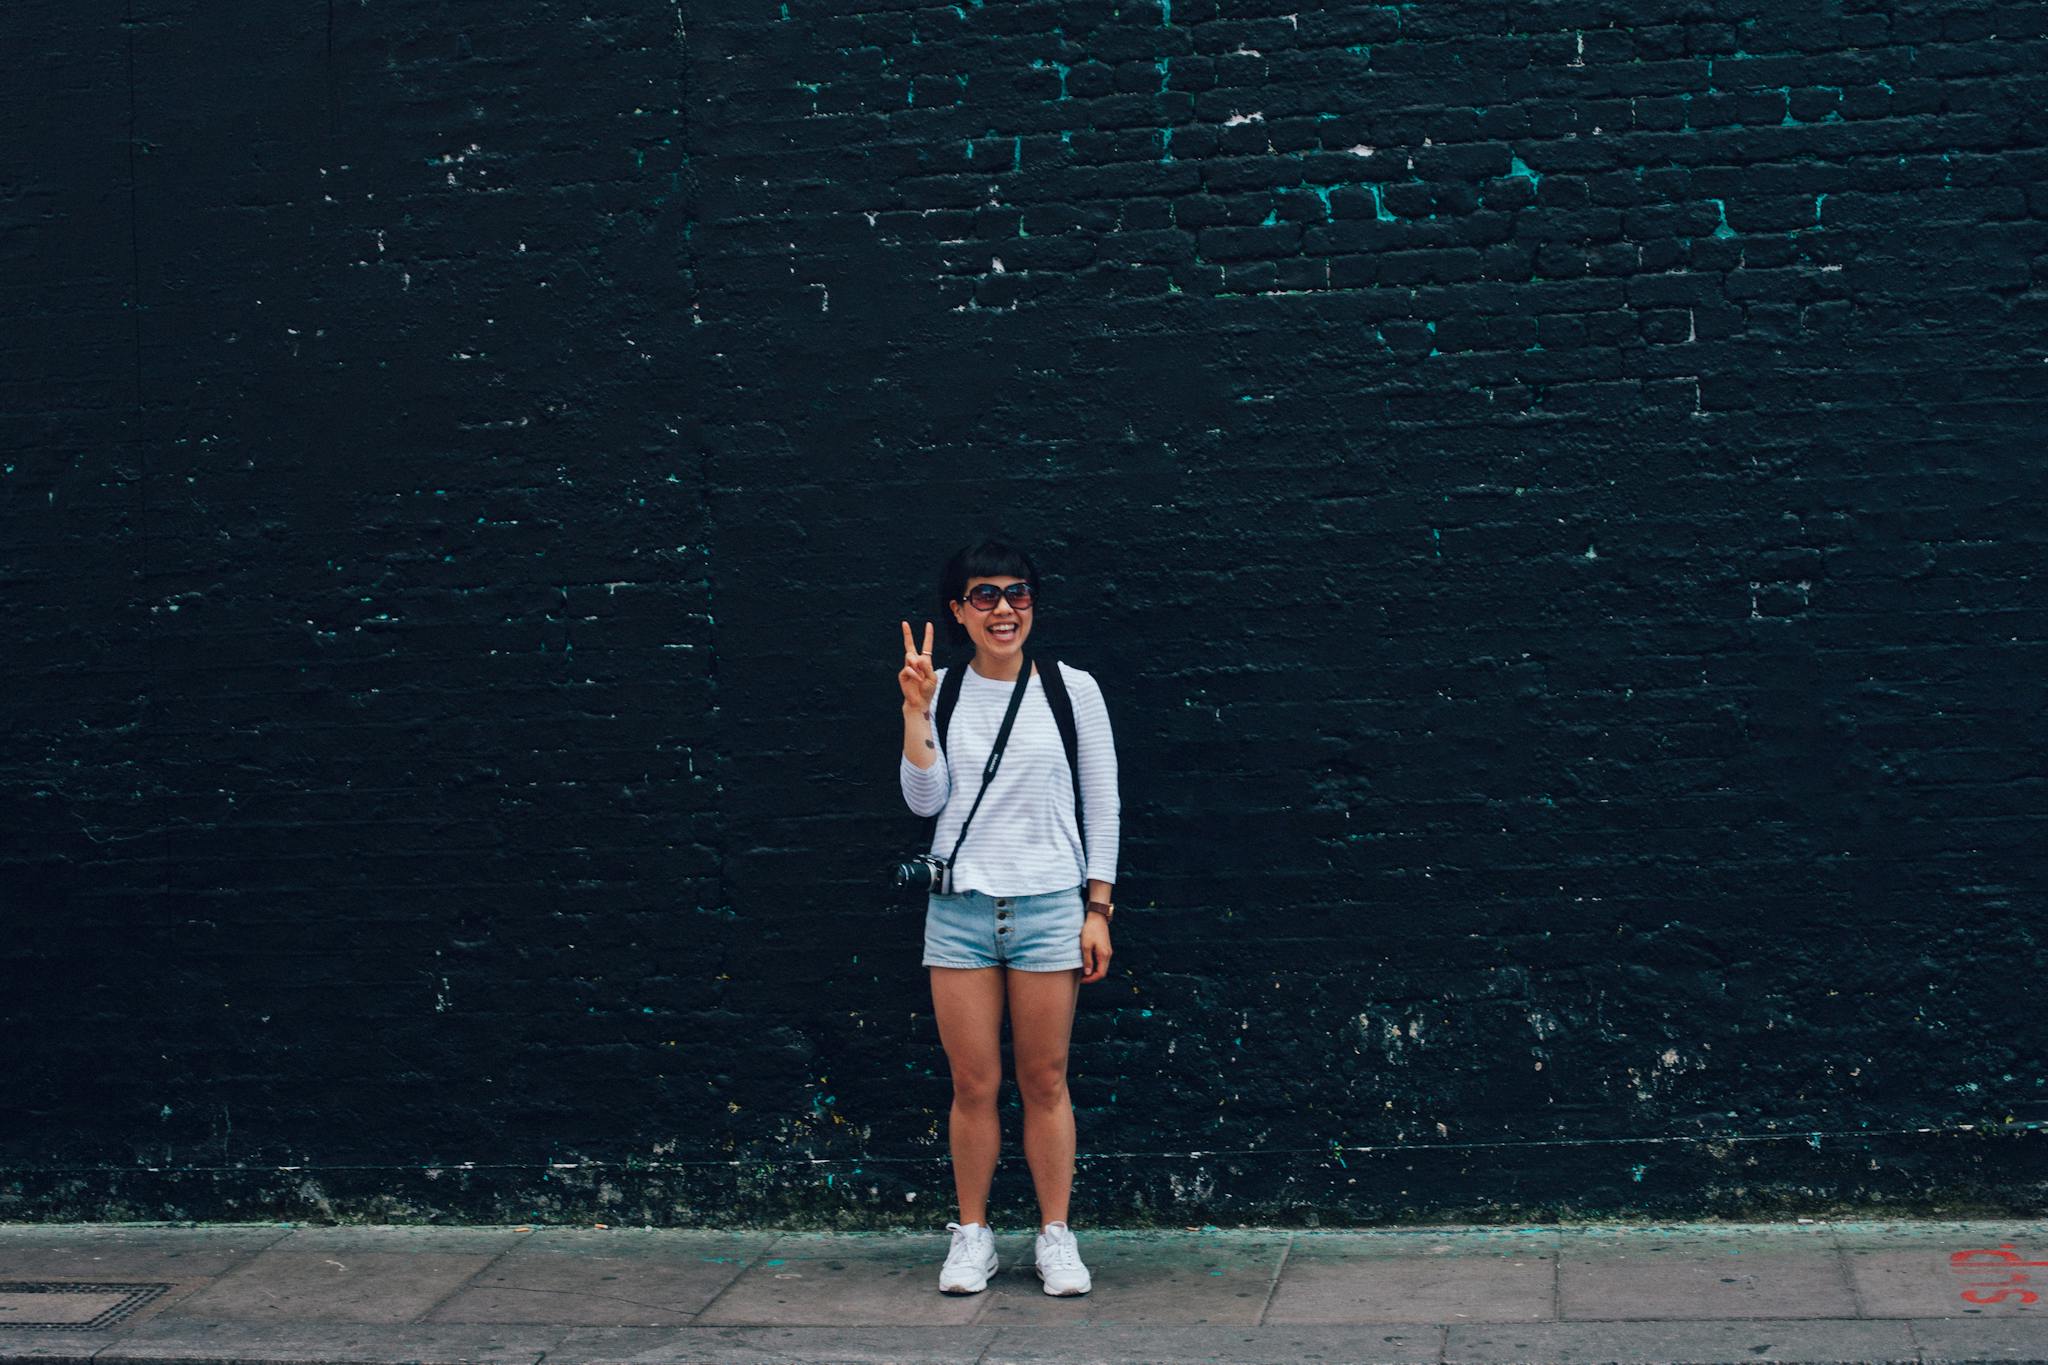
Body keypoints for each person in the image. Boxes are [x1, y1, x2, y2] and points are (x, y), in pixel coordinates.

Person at [896, 537, 1121, 1297]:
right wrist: (915, 711)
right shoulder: (948, 692)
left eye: (1016, 593)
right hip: (959, 910)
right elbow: (925, 802)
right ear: (957, 610)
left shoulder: (1070, 688)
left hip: (1051, 904)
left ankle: (1055, 1235)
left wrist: (1098, 908)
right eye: (984, 595)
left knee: (1046, 1078)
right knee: (972, 1083)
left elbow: (1104, 802)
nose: (1003, 608)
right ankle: (975, 1235)